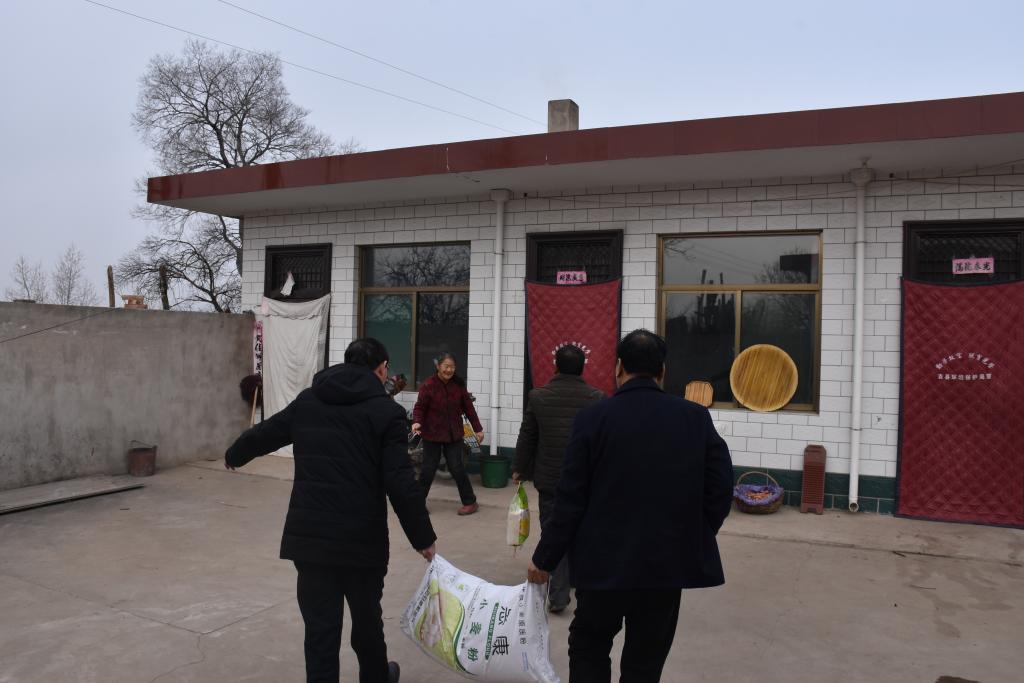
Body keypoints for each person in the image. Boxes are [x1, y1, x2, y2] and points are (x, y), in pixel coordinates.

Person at [526, 329, 733, 683]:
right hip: (664, 566)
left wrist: (545, 558)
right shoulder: (694, 418)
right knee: (645, 662)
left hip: (601, 565)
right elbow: (720, 487)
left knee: (589, 648)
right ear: (662, 371)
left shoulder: (593, 419)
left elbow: (569, 499)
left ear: (619, 367)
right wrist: (692, 532)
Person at [225, 338, 436, 683]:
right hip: (361, 543)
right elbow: (400, 482)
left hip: (311, 541)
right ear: (381, 369)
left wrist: (235, 454)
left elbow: (267, 432)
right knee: (367, 624)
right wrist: (423, 538)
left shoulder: (309, 400)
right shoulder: (386, 413)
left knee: (320, 632)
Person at [513, 344, 604, 613]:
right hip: (585, 481)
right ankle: (578, 583)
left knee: (554, 531)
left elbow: (528, 436)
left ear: (555, 367)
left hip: (551, 479)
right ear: (583, 368)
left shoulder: (538, 396)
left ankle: (559, 595)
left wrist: (519, 468)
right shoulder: (596, 398)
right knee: (580, 530)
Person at [411, 352, 483, 516]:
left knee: (457, 468)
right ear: (438, 367)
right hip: (432, 434)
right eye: (446, 366)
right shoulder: (428, 385)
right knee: (428, 469)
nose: (449, 370)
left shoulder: (458, 385)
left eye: (452, 367)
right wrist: (417, 422)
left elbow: (469, 408)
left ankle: (470, 502)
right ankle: (417, 504)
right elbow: (420, 407)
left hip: (453, 435)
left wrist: (478, 429)